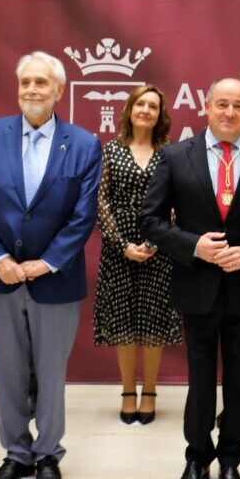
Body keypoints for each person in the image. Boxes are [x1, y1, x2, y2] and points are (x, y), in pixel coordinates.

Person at [139, 77, 240, 479]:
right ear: (207, 107)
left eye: (239, 106)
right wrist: (194, 247)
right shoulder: (174, 156)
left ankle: (230, 460)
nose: (230, 112)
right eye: (222, 104)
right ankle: (196, 456)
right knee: (201, 379)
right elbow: (151, 221)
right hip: (197, 288)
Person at [0, 51, 102, 479]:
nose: (31, 90)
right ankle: (16, 452)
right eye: (25, 81)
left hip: (55, 279)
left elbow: (82, 217)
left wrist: (45, 262)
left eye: (41, 83)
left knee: (50, 372)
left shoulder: (83, 143)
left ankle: (47, 453)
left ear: (59, 91)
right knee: (6, 371)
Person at [92, 85, 180, 425]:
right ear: (129, 109)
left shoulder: (170, 153)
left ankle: (151, 391)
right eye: (140, 104)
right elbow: (101, 201)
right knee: (124, 325)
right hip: (119, 251)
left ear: (160, 115)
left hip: (159, 251)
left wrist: (155, 243)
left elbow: (176, 201)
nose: (146, 110)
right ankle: (129, 390)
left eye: (153, 106)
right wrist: (123, 245)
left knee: (153, 324)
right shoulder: (110, 150)